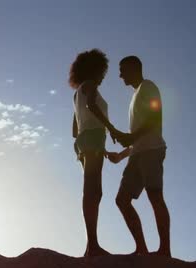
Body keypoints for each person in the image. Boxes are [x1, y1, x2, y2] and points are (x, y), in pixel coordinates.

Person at [106, 56, 172, 257]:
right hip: (138, 154)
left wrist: (130, 136)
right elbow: (136, 137)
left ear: (134, 68)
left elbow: (155, 117)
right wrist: (121, 155)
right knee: (122, 200)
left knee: (155, 196)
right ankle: (142, 249)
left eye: (122, 70)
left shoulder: (148, 87)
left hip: (152, 150)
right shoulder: (136, 94)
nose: (120, 75)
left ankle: (164, 250)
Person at [69, 49, 123, 257]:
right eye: (102, 72)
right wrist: (111, 128)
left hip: (87, 142)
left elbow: (75, 130)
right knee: (93, 191)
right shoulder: (90, 86)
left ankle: (92, 244)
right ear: (95, 70)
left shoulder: (77, 93)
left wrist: (102, 149)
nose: (103, 76)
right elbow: (92, 105)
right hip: (92, 139)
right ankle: (92, 246)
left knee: (94, 190)